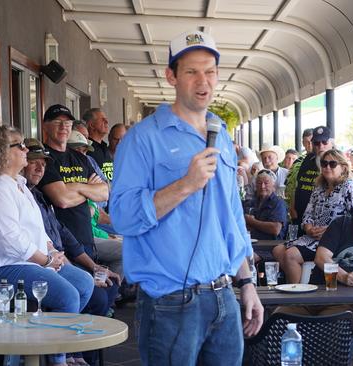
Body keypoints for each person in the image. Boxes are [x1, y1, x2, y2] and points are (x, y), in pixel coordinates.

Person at [110, 30, 263, 365]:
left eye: (209, 71)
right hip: (170, 302)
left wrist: (247, 282)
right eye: (191, 71)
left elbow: (231, 218)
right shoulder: (142, 139)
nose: (203, 81)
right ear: (171, 76)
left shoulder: (221, 133)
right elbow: (122, 216)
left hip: (224, 296)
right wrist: (185, 185)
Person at [0, 126, 93, 366]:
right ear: (2, 152)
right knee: (67, 295)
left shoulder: (20, 186)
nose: (26, 149)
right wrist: (45, 261)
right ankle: (59, 359)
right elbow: (9, 239)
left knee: (84, 283)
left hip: (28, 261)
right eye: (19, 145)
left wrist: (53, 251)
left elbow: (38, 230)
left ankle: (52, 343)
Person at [23, 138, 119, 366]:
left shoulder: (37, 196)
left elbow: (64, 234)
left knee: (109, 286)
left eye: (44, 164)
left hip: (64, 259)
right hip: (43, 265)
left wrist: (94, 267)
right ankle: (71, 355)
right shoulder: (22, 195)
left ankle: (85, 355)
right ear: (21, 163)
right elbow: (40, 244)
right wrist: (88, 191)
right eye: (34, 162)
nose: (40, 168)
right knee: (95, 296)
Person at [37, 104, 116, 275]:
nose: (63, 127)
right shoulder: (44, 159)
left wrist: (76, 188)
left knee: (105, 292)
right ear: (45, 126)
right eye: (57, 122)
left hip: (86, 238)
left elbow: (104, 193)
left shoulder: (80, 158)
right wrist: (88, 190)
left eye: (67, 123)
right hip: (61, 244)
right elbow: (62, 200)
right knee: (91, 295)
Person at [273, 149, 353, 283]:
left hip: (334, 241)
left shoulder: (350, 187)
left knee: (291, 256)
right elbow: (308, 213)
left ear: (343, 167)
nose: (327, 167)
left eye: (332, 164)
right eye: (324, 163)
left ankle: (297, 298)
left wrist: (330, 230)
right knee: (277, 250)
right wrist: (309, 228)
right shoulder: (319, 187)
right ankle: (303, 281)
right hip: (312, 237)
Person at [288, 126, 335, 227]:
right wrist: (292, 206)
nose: (320, 146)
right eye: (317, 143)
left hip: (322, 224)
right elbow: (298, 183)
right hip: (300, 218)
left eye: (324, 142)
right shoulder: (308, 159)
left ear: (332, 143)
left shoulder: (337, 163)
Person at [244, 169, 288, 241]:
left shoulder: (278, 203)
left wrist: (252, 222)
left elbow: (275, 229)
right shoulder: (252, 202)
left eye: (266, 183)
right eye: (259, 183)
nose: (262, 186)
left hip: (270, 245)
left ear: (273, 185)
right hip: (252, 241)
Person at [284, 128, 313, 205]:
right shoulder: (297, 162)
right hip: (298, 202)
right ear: (303, 143)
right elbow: (289, 184)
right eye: (307, 142)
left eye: (311, 141)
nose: (309, 145)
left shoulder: (322, 161)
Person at [83, 108, 114, 182]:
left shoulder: (105, 147)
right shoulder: (86, 148)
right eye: (102, 120)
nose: (107, 122)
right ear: (92, 125)